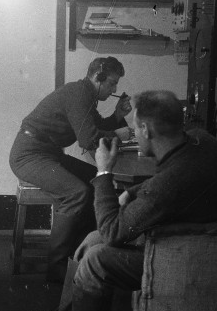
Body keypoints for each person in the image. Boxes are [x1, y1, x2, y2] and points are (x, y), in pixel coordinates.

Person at [20, 90, 217, 311]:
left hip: (185, 257)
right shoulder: (204, 141)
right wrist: (134, 192)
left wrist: (104, 172)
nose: (133, 134)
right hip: (205, 237)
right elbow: (172, 182)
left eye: (135, 128)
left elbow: (115, 231)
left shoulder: (166, 187)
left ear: (145, 129)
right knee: (92, 239)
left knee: (95, 259)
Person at [9, 56, 133, 283]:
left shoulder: (85, 95)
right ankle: (56, 271)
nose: (114, 89)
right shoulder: (79, 94)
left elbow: (96, 127)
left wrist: (117, 117)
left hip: (48, 153)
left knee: (96, 183)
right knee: (77, 193)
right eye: (112, 83)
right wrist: (117, 134)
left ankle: (80, 254)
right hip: (28, 155)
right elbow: (88, 139)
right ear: (98, 76)